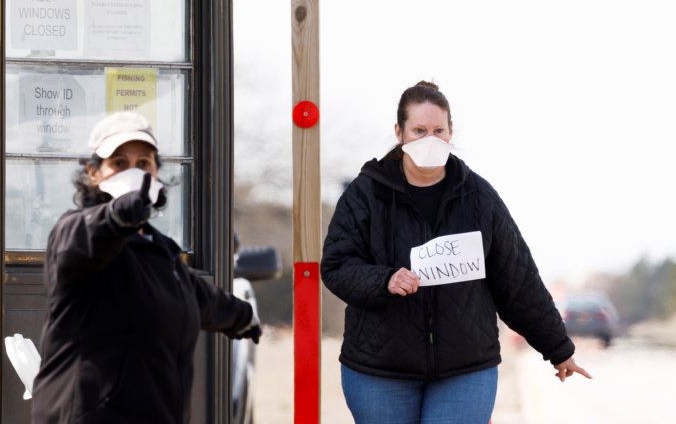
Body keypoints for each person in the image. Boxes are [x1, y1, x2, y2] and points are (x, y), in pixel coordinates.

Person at [321, 81, 591, 424]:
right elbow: (336, 266)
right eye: (419, 130)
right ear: (399, 132)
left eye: (438, 130)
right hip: (379, 369)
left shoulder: (479, 196)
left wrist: (558, 349)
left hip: (466, 369)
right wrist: (384, 280)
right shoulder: (366, 194)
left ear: (451, 132)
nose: (429, 139)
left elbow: (517, 278)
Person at [31, 111, 261, 424]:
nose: (133, 174)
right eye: (119, 164)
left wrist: (242, 317)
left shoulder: (160, 248)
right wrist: (115, 217)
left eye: (143, 164)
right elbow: (82, 241)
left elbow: (197, 296)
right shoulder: (76, 231)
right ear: (93, 172)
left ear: (155, 174)